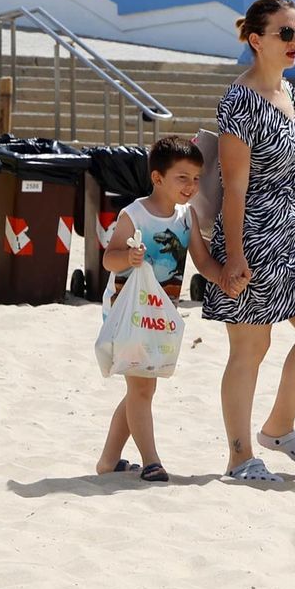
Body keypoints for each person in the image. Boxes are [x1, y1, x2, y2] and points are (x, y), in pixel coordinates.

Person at [203, 0, 295, 484]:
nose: (294, 41)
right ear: (255, 40)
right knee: (250, 347)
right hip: (251, 237)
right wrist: (234, 256)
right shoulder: (239, 102)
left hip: (290, 234)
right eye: (285, 33)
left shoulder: (287, 92)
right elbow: (234, 187)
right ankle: (239, 456)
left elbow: (293, 168)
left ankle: (279, 427)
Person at [95, 136, 225, 484]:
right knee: (142, 389)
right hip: (128, 312)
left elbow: (202, 262)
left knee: (141, 388)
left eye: (195, 178)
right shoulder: (134, 214)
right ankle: (151, 461)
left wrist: (226, 279)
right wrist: (128, 257)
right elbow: (108, 259)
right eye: (182, 178)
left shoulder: (187, 217)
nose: (191, 186)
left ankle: (109, 460)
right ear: (157, 178)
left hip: (160, 315)